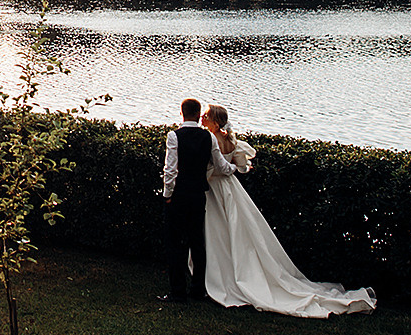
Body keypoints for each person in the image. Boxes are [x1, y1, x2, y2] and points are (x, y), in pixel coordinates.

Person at [196, 105, 376, 318]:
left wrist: (223, 169)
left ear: (215, 122)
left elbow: (220, 167)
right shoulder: (231, 141)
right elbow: (241, 165)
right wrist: (234, 168)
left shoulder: (211, 140)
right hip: (230, 188)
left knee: (220, 233)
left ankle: (220, 276)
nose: (202, 118)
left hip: (215, 188)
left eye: (206, 116)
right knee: (235, 232)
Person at [157, 98, 231, 301]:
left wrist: (167, 195)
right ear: (199, 116)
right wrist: (238, 168)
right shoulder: (209, 137)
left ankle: (178, 291)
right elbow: (221, 166)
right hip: (198, 195)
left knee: (175, 243)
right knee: (197, 242)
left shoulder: (174, 136)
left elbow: (170, 170)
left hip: (179, 196)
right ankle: (198, 289)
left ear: (181, 113)